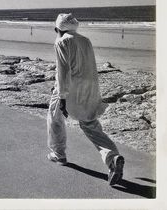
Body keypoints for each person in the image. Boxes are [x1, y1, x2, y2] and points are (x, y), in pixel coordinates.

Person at [47, 13, 124, 186]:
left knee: (55, 118)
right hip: (89, 87)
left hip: (69, 87)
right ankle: (113, 158)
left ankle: (59, 154)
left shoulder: (61, 41)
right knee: (90, 124)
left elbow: (63, 70)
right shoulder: (85, 40)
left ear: (57, 29)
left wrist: (62, 96)